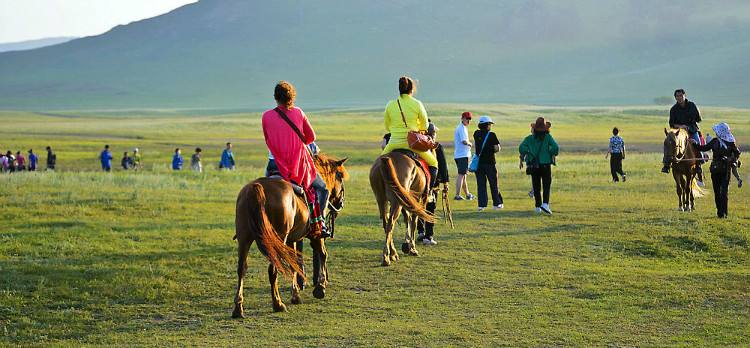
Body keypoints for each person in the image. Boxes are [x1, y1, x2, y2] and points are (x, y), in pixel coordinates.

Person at [262, 81, 329, 238]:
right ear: (291, 97)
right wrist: (297, 143)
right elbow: (312, 137)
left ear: (275, 97)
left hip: (274, 164)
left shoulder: (266, 116)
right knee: (322, 187)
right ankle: (319, 223)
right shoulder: (298, 112)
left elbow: (268, 139)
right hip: (297, 166)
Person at [381, 76, 439, 188]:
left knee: (379, 163)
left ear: (399, 89)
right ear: (412, 90)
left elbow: (387, 127)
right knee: (434, 163)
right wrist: (417, 128)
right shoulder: (417, 104)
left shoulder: (390, 105)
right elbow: (425, 125)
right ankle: (429, 193)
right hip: (413, 144)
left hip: (393, 144)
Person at [693, 123, 740, 218]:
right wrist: (694, 143)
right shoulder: (714, 141)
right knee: (717, 192)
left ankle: (724, 213)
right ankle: (719, 212)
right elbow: (704, 148)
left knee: (724, 192)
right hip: (715, 170)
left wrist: (731, 159)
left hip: (726, 170)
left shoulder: (730, 142)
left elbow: (737, 153)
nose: (716, 133)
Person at [417, 121, 449, 246]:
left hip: (418, 185)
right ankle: (428, 236)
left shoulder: (418, 146)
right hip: (432, 185)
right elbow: (443, 166)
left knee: (418, 207)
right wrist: (445, 183)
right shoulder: (437, 146)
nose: (435, 135)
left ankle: (420, 231)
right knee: (430, 209)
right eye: (434, 132)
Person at [519, 117, 559, 215]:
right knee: (546, 185)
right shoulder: (548, 137)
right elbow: (556, 148)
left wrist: (529, 152)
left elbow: (521, 148)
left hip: (534, 165)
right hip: (545, 164)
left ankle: (537, 206)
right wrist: (550, 152)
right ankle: (545, 204)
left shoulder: (529, 138)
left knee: (536, 186)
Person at [664, 89, 704, 185]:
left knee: (697, 145)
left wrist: (689, 125)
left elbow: (698, 119)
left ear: (684, 96)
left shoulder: (692, 106)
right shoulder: (673, 109)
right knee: (669, 144)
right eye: (677, 96)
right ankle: (666, 164)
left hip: (692, 130)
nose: (679, 98)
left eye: (681, 95)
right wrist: (680, 126)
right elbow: (671, 124)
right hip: (679, 132)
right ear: (675, 97)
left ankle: (699, 166)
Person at [453, 111, 475, 201]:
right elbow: (464, 141)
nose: (468, 121)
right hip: (462, 155)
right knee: (461, 175)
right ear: (462, 119)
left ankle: (467, 194)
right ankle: (457, 195)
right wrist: (470, 144)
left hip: (460, 155)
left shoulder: (463, 128)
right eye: (467, 119)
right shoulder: (461, 128)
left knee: (464, 175)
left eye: (469, 119)